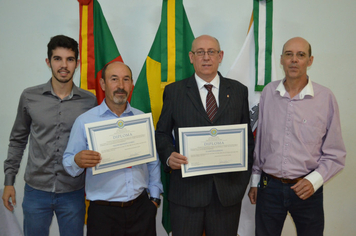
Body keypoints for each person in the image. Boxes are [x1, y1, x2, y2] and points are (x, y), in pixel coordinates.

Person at [155, 35, 254, 236]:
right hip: (185, 195)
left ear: (220, 56)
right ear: (191, 57)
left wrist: (240, 182)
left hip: (226, 195)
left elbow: (247, 141)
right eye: (200, 52)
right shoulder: (174, 92)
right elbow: (162, 133)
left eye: (211, 52)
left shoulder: (238, 91)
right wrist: (168, 155)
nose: (206, 57)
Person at [248, 37, 347, 236]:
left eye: (301, 55)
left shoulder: (325, 98)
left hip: (307, 189)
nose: (294, 60)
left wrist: (314, 181)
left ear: (310, 61)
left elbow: (335, 153)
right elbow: (261, 141)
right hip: (269, 188)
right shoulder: (268, 92)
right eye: (289, 54)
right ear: (281, 60)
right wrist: (255, 179)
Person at [2, 35, 97, 236]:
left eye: (70, 59)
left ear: (77, 63)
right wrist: (9, 181)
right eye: (57, 59)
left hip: (73, 191)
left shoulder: (90, 102)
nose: (64, 65)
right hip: (36, 191)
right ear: (48, 62)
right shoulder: (29, 96)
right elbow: (17, 140)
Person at [62, 61, 163, 236]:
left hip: (141, 210)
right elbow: (68, 164)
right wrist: (77, 160)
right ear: (103, 84)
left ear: (132, 85)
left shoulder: (141, 119)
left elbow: (153, 161)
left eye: (126, 80)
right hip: (103, 214)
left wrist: (153, 198)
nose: (120, 86)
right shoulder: (85, 121)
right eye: (114, 79)